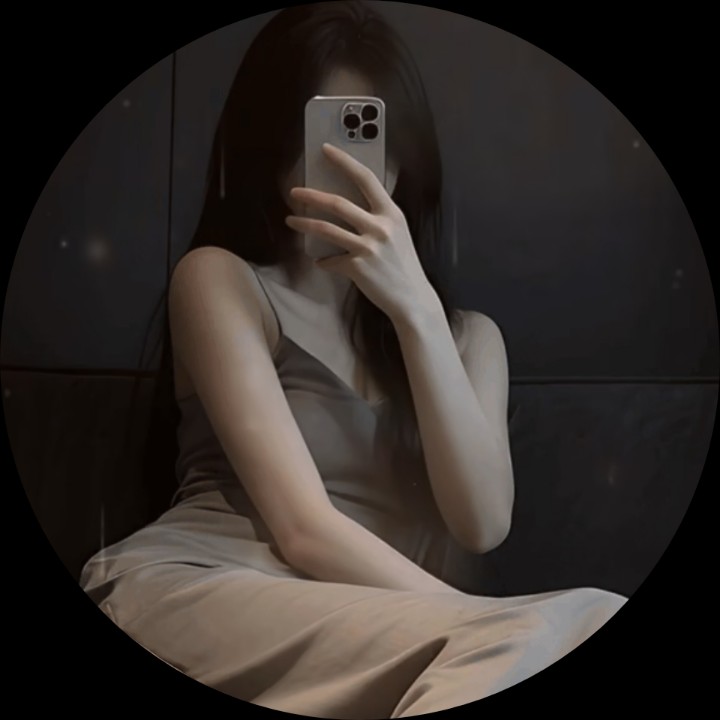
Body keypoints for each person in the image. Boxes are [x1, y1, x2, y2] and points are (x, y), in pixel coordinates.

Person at [80, 3, 626, 717]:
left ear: (408, 156)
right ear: (271, 146)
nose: (343, 163)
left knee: (597, 615)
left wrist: (416, 311)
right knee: (533, 636)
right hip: (210, 591)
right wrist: (492, 622)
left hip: (387, 626)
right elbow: (303, 530)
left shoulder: (470, 339)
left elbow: (482, 524)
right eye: (318, 134)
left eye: (366, 134)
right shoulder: (220, 281)